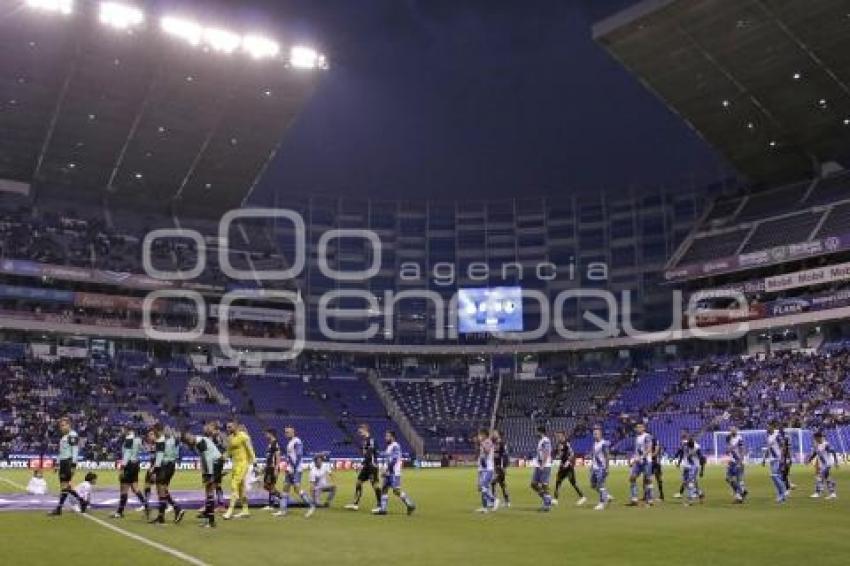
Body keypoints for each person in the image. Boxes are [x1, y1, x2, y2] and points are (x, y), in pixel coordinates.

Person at [273, 426, 315, 518]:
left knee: (297, 488)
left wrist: (295, 468)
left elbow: (299, 455)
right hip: (289, 469)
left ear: (293, 432)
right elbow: (290, 457)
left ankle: (311, 506)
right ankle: (283, 511)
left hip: (296, 469)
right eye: (285, 432)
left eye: (288, 432)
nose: (286, 434)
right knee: (285, 489)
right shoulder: (290, 443)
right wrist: (288, 467)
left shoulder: (297, 441)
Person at [183, 431, 221, 528]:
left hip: (214, 463)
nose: (190, 440)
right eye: (188, 440)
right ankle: (208, 517)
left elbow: (207, 458)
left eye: (189, 437)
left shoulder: (199, 442)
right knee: (208, 492)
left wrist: (210, 474)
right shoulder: (197, 442)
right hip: (213, 463)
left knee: (210, 491)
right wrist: (204, 473)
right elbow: (204, 458)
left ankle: (211, 521)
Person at [372, 430, 415, 516]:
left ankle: (410, 504)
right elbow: (387, 456)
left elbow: (394, 459)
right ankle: (383, 509)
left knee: (396, 491)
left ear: (392, 437)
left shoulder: (396, 446)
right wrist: (378, 453)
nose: (385, 438)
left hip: (394, 472)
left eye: (387, 436)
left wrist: (387, 470)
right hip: (388, 472)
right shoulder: (389, 446)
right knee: (384, 489)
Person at [149, 424, 185, 524]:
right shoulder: (172, 439)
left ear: (157, 430)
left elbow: (159, 457)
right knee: (164, 490)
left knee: (161, 491)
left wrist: (154, 470)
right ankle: (162, 516)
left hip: (163, 467)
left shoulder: (161, 440)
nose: (153, 432)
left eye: (154, 430)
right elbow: (176, 451)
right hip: (171, 466)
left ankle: (176, 509)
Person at [111, 426, 148, 519]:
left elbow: (127, 454)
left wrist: (122, 467)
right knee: (135, 488)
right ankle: (146, 506)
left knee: (124, 489)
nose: (122, 431)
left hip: (129, 465)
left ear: (128, 430)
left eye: (123, 430)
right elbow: (143, 449)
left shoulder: (128, 439)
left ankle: (119, 512)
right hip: (135, 465)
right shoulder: (138, 439)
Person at [48, 417, 82, 516]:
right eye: (60, 426)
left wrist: (73, 465)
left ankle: (60, 508)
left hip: (68, 462)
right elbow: (61, 452)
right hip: (63, 463)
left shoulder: (72, 435)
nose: (61, 428)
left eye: (63, 425)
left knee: (65, 486)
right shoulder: (63, 437)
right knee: (65, 487)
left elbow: (75, 450)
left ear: (69, 425)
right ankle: (81, 502)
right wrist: (57, 464)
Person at [223, 419, 255, 520]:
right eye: (227, 427)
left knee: (234, 485)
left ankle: (230, 510)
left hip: (243, 464)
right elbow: (228, 452)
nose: (228, 429)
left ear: (235, 426)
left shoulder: (243, 436)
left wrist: (255, 463)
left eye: (230, 427)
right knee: (241, 489)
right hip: (235, 465)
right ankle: (245, 510)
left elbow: (250, 450)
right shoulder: (230, 438)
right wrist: (221, 458)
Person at [345, 423, 381, 511]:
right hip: (366, 465)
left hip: (372, 465)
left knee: (375, 485)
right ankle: (355, 504)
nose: (359, 432)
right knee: (358, 482)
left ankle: (380, 505)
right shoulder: (364, 441)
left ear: (365, 429)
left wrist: (361, 464)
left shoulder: (371, 440)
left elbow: (370, 454)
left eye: (360, 430)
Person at [553, 431, 585, 506]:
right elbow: (559, 454)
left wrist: (568, 462)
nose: (558, 437)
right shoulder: (559, 444)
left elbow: (572, 454)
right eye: (558, 436)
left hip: (568, 467)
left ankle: (582, 497)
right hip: (562, 466)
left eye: (560, 436)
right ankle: (555, 499)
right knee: (558, 481)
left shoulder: (567, 444)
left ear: (563, 436)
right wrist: (557, 456)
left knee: (573, 483)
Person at [627, 422, 654, 506]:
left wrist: (642, 457)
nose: (638, 428)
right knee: (632, 478)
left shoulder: (647, 436)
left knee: (647, 479)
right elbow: (636, 451)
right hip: (638, 462)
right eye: (637, 427)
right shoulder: (637, 438)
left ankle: (649, 499)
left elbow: (649, 448)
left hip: (646, 461)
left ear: (643, 428)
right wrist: (633, 459)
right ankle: (634, 499)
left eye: (640, 427)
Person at [674, 434, 705, 506]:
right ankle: (700, 494)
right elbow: (681, 452)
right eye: (689, 446)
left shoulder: (697, 448)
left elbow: (702, 459)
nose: (690, 448)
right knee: (685, 482)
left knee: (690, 482)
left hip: (694, 467)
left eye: (691, 447)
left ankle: (690, 501)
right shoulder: (685, 444)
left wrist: (701, 471)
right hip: (686, 466)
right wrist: (677, 460)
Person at [807, 431, 838, 500]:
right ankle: (832, 493)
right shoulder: (817, 445)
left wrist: (836, 462)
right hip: (823, 464)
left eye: (815, 438)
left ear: (819, 437)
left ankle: (817, 493)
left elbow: (833, 452)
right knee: (827, 478)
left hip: (827, 464)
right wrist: (809, 460)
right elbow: (815, 453)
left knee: (819, 477)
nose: (814, 439)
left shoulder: (826, 444)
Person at [529, 426, 553, 512]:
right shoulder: (541, 441)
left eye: (537, 432)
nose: (536, 433)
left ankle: (547, 505)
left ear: (540, 432)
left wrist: (543, 464)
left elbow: (546, 452)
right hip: (538, 465)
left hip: (545, 466)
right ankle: (548, 499)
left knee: (544, 485)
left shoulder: (546, 440)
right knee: (533, 484)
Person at [475, 428, 499, 513]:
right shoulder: (482, 443)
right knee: (483, 489)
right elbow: (481, 457)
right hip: (483, 468)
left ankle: (494, 500)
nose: (479, 436)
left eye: (480, 435)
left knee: (483, 487)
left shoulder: (487, 442)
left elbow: (488, 451)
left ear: (484, 435)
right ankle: (484, 508)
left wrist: (482, 444)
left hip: (488, 469)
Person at [763, 423, 788, 504]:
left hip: (777, 459)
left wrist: (782, 458)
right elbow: (768, 449)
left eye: (768, 426)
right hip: (772, 460)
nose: (767, 428)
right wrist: (764, 459)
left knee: (774, 476)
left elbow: (783, 446)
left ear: (772, 427)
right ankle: (781, 496)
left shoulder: (777, 435)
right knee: (777, 478)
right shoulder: (768, 437)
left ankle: (783, 493)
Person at [589, 426, 611, 511]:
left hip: (601, 468)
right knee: (593, 485)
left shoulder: (604, 443)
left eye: (597, 433)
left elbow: (607, 456)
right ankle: (606, 495)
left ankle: (602, 503)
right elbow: (594, 456)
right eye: (594, 434)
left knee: (601, 485)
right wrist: (591, 465)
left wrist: (607, 468)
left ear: (600, 434)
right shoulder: (594, 443)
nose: (595, 435)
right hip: (595, 468)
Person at [726, 427, 747, 503]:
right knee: (728, 478)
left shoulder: (739, 439)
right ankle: (742, 491)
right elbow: (728, 450)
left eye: (734, 430)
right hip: (731, 461)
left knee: (738, 480)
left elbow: (742, 450)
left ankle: (739, 497)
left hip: (737, 461)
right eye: (731, 430)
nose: (732, 431)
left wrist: (740, 462)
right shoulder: (729, 438)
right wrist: (728, 451)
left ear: (736, 431)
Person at [262, 428, 282, 510]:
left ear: (271, 434)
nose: (265, 435)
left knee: (270, 486)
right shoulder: (270, 444)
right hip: (269, 467)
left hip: (272, 468)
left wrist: (276, 468)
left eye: (266, 434)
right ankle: (276, 500)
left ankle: (274, 503)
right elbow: (269, 457)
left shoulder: (275, 443)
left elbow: (278, 456)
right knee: (268, 486)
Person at [490, 429, 511, 507]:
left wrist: (504, 467)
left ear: (498, 434)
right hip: (495, 466)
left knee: (493, 482)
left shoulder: (502, 443)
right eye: (492, 433)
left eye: (494, 433)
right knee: (502, 484)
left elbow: (505, 456)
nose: (493, 434)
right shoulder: (493, 443)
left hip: (500, 467)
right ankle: (507, 501)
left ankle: (494, 500)